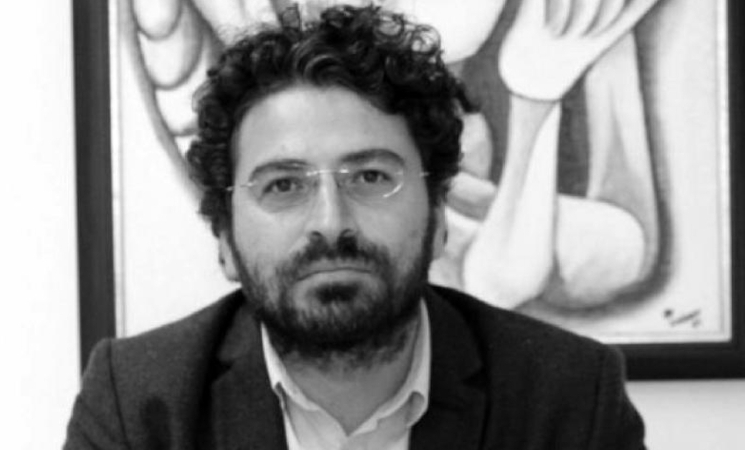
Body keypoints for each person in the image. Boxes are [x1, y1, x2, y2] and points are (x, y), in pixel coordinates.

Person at [64, 5, 646, 449]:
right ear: (224, 239)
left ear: (438, 216)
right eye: (283, 185)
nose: (331, 222)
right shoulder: (139, 407)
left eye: (370, 177)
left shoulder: (569, 401)